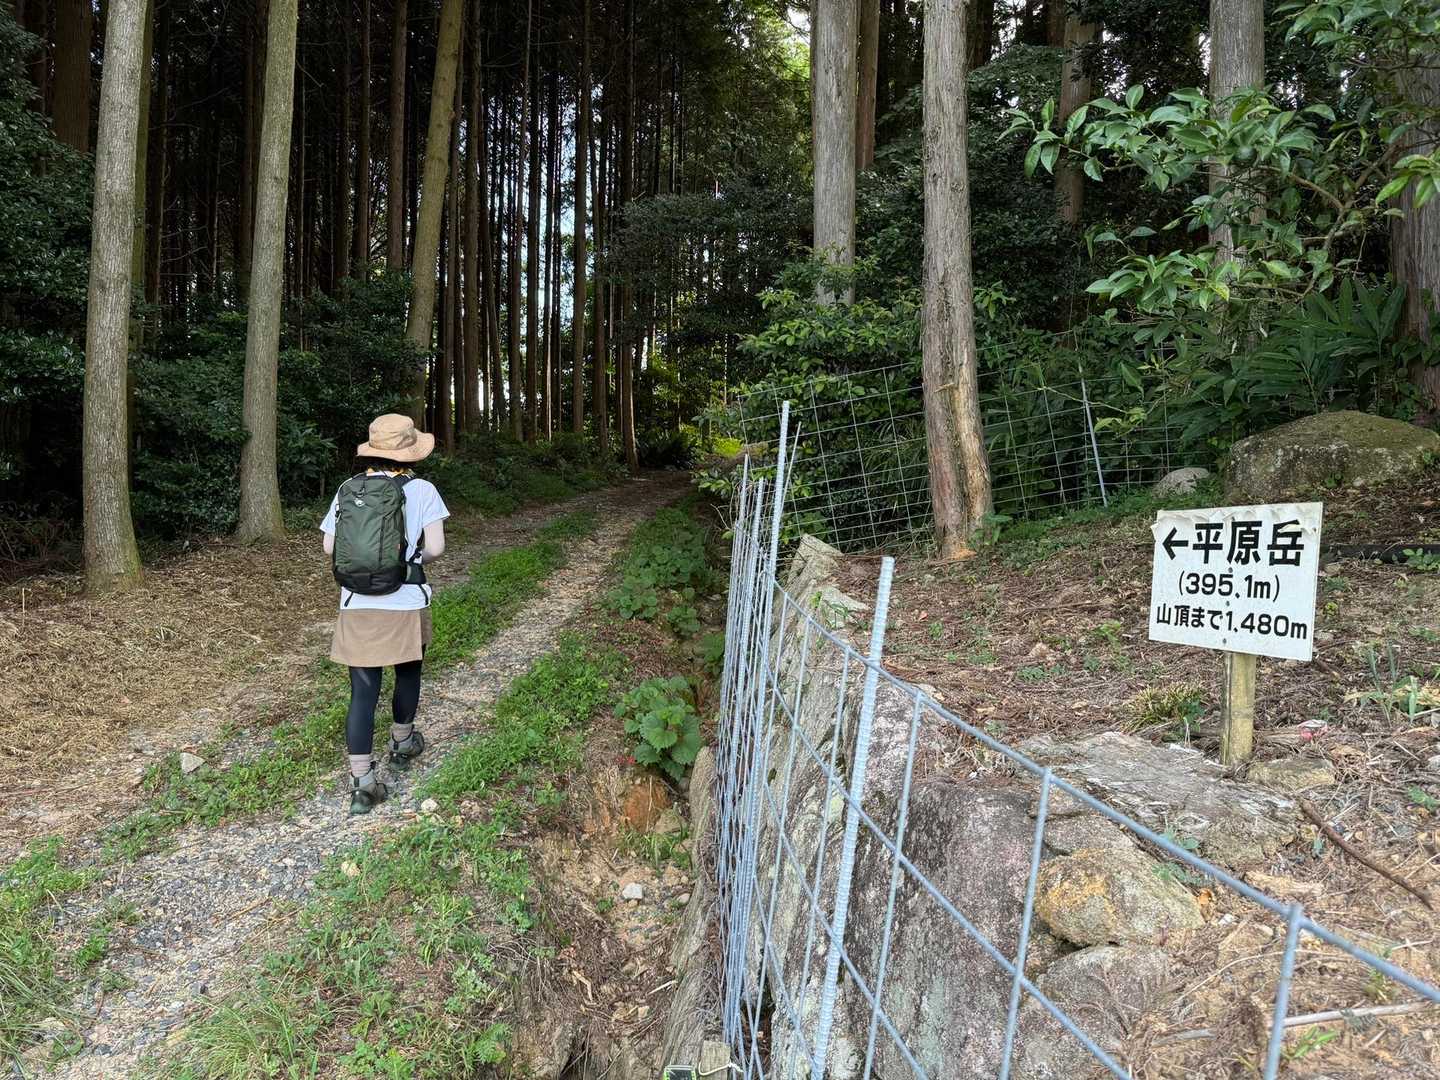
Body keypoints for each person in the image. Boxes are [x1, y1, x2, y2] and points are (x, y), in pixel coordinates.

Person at [321, 414, 449, 815]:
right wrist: (407, 562)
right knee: (408, 672)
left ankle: (362, 784)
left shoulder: (348, 489)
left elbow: (329, 547)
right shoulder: (422, 489)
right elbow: (436, 548)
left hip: (357, 603)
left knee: (362, 692)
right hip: (406, 601)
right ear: (409, 452)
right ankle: (402, 743)